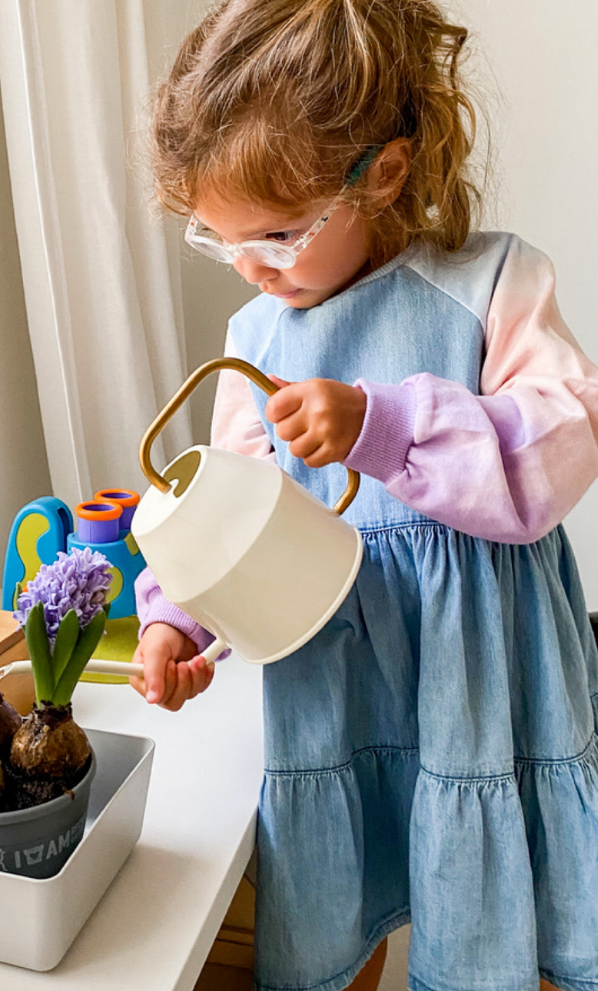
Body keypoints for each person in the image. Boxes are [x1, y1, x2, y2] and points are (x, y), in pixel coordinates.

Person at [129, 2, 598, 990]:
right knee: (344, 898)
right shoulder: (255, 338)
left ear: (380, 174)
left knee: (493, 889)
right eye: (219, 241)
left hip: (480, 667)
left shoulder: (489, 282)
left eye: (277, 234)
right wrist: (176, 621)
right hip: (335, 672)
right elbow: (228, 515)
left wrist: (381, 425)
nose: (251, 268)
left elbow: (558, 445)